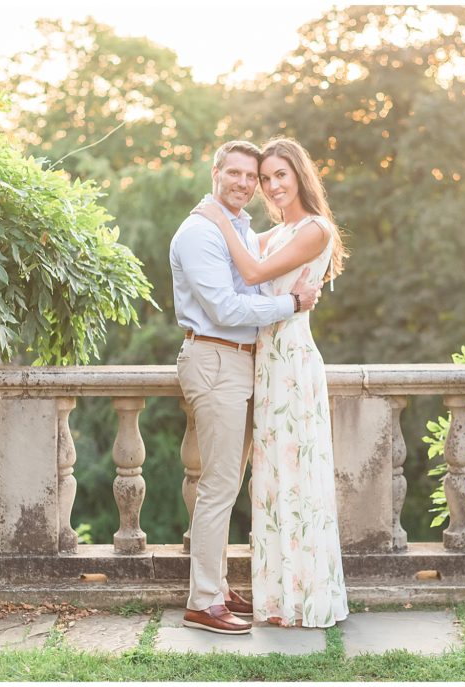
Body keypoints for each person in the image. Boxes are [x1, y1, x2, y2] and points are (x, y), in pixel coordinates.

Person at [192, 137, 350, 629]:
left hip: (292, 362)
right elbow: (238, 273)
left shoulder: (315, 229)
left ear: (300, 175)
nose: (271, 186)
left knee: (297, 472)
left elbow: (253, 270)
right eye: (266, 179)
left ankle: (307, 595)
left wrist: (219, 217)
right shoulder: (275, 232)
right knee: (272, 478)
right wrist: (213, 227)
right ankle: (279, 595)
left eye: (280, 175)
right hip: (263, 362)